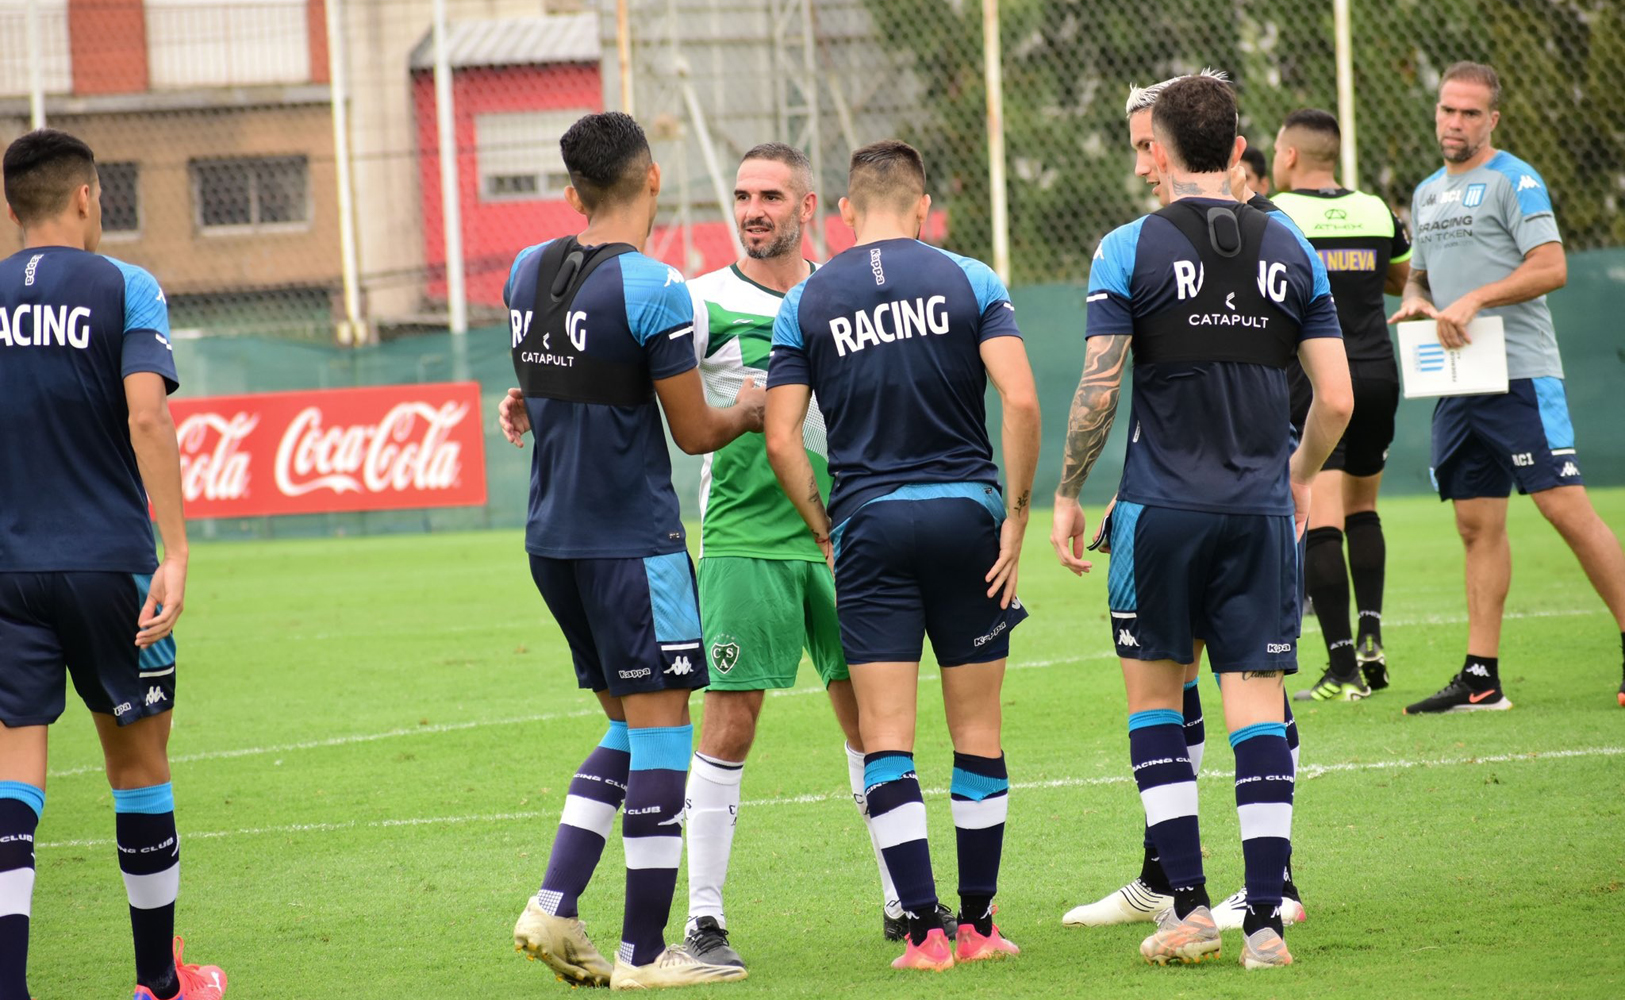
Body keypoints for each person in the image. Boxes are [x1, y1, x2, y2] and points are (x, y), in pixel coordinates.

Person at [1051, 75, 1352, 970]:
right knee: (1255, 703)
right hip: (1258, 509)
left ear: (1162, 147)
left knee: (1154, 700)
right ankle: (1264, 920)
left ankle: (1187, 911)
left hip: (1160, 510)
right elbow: (1332, 397)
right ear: (1233, 147)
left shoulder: (1127, 247)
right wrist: (1295, 472)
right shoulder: (1290, 243)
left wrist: (1067, 493)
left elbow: (1099, 389)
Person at [497, 111, 760, 990]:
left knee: (626, 725)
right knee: (661, 741)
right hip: (633, 547)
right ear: (653, 179)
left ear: (572, 193)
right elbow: (693, 433)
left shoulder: (523, 271)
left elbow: (557, 377)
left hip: (552, 542)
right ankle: (647, 955)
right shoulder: (654, 287)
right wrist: (752, 407)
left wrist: (528, 401)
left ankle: (556, 903)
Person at [764, 139, 1040, 972]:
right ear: (923, 208)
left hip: (868, 529)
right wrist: (1016, 518)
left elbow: (781, 436)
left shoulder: (807, 299)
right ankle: (981, 925)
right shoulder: (971, 279)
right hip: (967, 519)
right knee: (977, 730)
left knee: (886, 735)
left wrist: (823, 525)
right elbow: (1021, 400)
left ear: (844, 211)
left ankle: (923, 933)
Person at [677, 143, 938, 969]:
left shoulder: (840, 293)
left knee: (872, 719)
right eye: (743, 195)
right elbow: (629, 375)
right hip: (744, 544)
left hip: (848, 537)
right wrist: (535, 401)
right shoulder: (700, 302)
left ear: (808, 206)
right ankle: (704, 919)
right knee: (730, 720)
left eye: (770, 196)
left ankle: (903, 903)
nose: (753, 209)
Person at [0, 129, 225, 1000]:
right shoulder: (125, 286)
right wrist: (175, 547)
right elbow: (147, 420)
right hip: (108, 566)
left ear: (14, 206)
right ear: (88, 196)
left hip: (8, 568)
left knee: (15, 769)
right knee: (136, 764)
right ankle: (159, 984)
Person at [1389, 62, 1625, 712]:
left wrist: (1475, 300)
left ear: (1492, 119)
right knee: (1473, 523)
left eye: (1469, 113)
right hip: (1458, 380)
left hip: (1520, 373)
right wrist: (1414, 297)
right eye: (1446, 110)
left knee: (1564, 511)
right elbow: (1422, 278)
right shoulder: (1426, 192)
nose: (1454, 122)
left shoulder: (1514, 179)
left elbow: (1550, 267)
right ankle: (1480, 677)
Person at [1271, 108, 1412, 702]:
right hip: (1379, 371)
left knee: (1320, 520)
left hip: (1318, 378)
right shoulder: (1377, 210)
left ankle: (1342, 669)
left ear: (1292, 156)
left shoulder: (1276, 214)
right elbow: (1401, 278)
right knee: (1364, 509)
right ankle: (1372, 638)